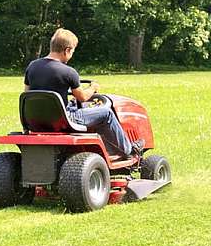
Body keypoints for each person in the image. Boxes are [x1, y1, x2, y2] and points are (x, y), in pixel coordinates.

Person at [23, 28, 145, 158]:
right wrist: (93, 87)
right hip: (63, 120)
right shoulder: (68, 72)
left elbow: (27, 94)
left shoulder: (32, 66)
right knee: (107, 113)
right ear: (67, 50)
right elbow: (82, 97)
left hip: (35, 120)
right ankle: (128, 150)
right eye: (72, 52)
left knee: (72, 104)